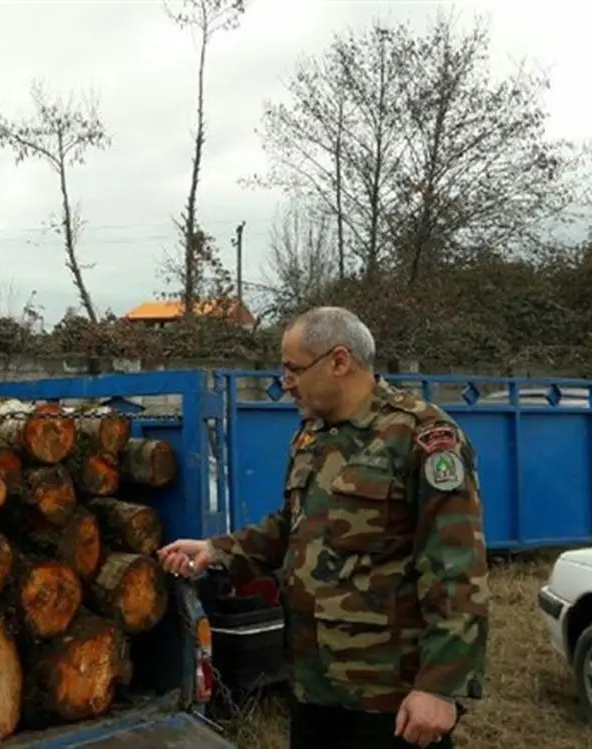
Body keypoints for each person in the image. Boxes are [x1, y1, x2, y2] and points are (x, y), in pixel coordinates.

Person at [159, 306, 488, 749]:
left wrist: (439, 686)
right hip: (313, 685)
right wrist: (217, 551)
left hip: (388, 700)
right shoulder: (312, 436)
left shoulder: (420, 438)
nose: (284, 381)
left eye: (293, 368)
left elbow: (457, 568)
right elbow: (294, 525)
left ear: (338, 361)